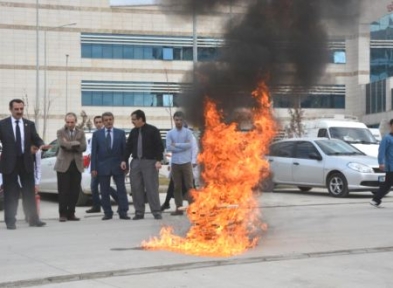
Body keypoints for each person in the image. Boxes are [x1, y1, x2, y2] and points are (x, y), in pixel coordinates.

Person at [0, 99, 50, 230]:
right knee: (10, 194)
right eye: (16, 109)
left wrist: (41, 145)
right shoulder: (2, 124)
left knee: (29, 192)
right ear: (11, 109)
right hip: (9, 163)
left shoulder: (29, 124)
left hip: (26, 162)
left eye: (21, 109)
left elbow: (36, 138)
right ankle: (10, 221)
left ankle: (33, 219)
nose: (19, 111)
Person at [121, 109, 164, 220]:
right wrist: (124, 160)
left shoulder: (153, 130)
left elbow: (159, 146)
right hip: (135, 162)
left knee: (151, 188)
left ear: (141, 119)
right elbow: (128, 147)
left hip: (150, 162)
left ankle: (156, 211)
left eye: (134, 119)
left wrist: (159, 160)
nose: (132, 122)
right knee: (136, 188)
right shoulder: (133, 132)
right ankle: (139, 212)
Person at [91, 112, 130, 220]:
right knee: (104, 191)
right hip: (102, 166)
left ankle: (123, 212)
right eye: (106, 120)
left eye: (110, 119)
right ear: (103, 122)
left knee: (121, 190)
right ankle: (107, 213)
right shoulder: (97, 134)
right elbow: (94, 152)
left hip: (118, 166)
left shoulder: (120, 133)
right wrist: (93, 168)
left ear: (113, 120)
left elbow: (124, 151)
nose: (109, 121)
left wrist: (126, 165)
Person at [54, 112, 87, 222]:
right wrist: (75, 143)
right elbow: (63, 145)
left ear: (75, 122)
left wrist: (70, 143)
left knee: (74, 191)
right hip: (63, 165)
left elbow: (83, 147)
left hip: (76, 164)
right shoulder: (60, 132)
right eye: (68, 122)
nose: (70, 124)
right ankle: (62, 214)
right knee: (63, 191)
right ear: (65, 121)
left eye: (72, 122)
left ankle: (71, 213)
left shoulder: (81, 132)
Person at [161, 126, 198, 211]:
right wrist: (171, 164)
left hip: (187, 164)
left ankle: (194, 206)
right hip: (176, 164)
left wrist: (193, 162)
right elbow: (172, 150)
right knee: (174, 185)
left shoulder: (190, 137)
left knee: (190, 186)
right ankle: (173, 205)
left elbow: (194, 150)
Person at [85, 115, 118, 213]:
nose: (99, 124)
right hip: (95, 164)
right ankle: (97, 206)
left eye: (100, 122)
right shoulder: (95, 134)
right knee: (95, 185)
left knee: (103, 185)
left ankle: (119, 200)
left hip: (105, 164)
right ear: (94, 124)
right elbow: (91, 150)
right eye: (97, 122)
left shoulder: (106, 134)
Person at [165, 111, 194, 216]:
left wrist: (176, 144)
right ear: (174, 120)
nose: (178, 122)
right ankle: (179, 208)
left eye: (180, 120)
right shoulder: (170, 133)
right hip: (175, 163)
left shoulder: (188, 132)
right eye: (176, 120)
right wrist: (182, 146)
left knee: (189, 186)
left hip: (186, 162)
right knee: (177, 186)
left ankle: (192, 207)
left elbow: (189, 145)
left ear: (184, 120)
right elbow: (168, 147)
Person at [370, 118, 393, 207]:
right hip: (391, 166)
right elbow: (381, 151)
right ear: (391, 126)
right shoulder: (387, 138)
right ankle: (375, 199)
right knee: (387, 184)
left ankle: (376, 199)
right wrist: (381, 162)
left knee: (387, 184)